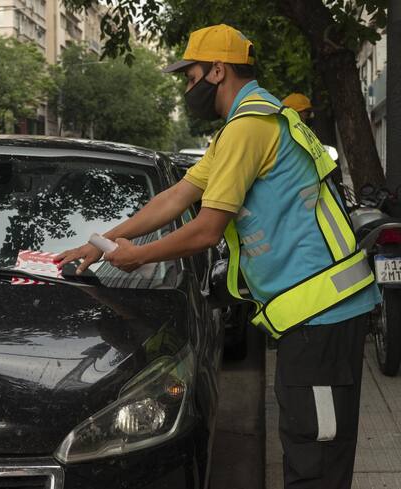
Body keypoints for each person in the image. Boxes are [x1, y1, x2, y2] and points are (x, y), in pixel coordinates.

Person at [56, 24, 381, 489]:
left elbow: (207, 229)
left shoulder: (250, 127)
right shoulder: (247, 124)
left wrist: (137, 256)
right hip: (313, 320)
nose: (188, 88)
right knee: (308, 445)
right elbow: (173, 197)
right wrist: (100, 241)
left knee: (316, 459)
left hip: (323, 318)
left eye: (189, 77)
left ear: (217, 71)